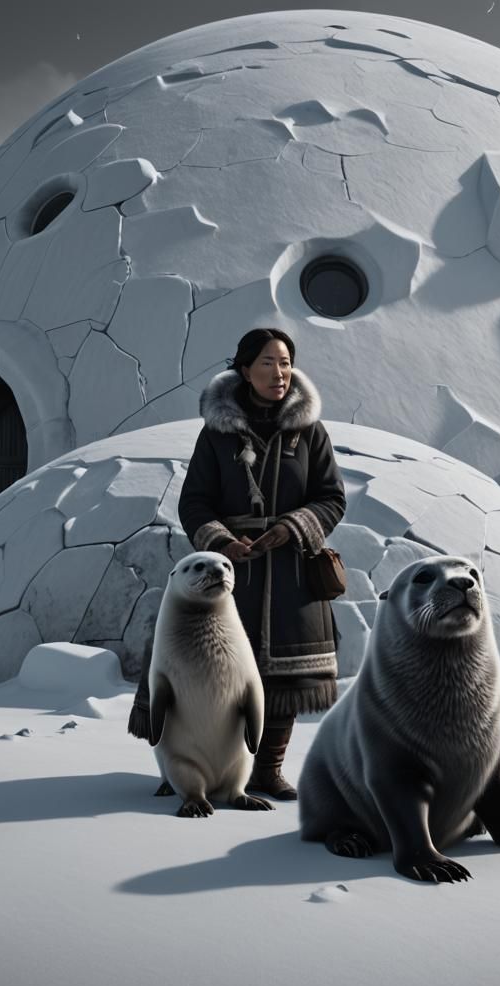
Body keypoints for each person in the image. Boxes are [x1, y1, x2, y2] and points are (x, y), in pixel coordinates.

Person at [174, 327, 346, 800]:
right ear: (245, 370)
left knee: (286, 683)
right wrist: (222, 541)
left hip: (292, 572)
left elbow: (331, 498)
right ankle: (206, 769)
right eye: (268, 362)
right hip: (231, 577)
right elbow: (194, 502)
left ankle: (267, 770)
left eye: (286, 362)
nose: (280, 372)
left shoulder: (309, 431)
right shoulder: (216, 434)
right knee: (219, 677)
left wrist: (291, 527)